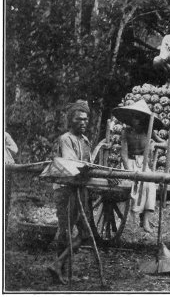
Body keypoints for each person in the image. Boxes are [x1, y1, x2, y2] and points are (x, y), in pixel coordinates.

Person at [47, 100, 93, 285]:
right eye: (79, 119)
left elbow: (90, 164)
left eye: (86, 119)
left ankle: (58, 264)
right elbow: (71, 164)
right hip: (66, 190)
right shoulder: (66, 139)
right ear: (71, 121)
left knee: (85, 233)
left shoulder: (86, 140)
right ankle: (60, 270)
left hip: (79, 189)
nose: (83, 122)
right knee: (65, 230)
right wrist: (86, 168)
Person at [113, 100, 167, 233]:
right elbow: (124, 154)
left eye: (139, 117)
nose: (135, 120)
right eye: (133, 116)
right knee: (134, 184)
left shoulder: (148, 131)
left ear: (143, 118)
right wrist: (128, 171)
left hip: (143, 163)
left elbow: (166, 144)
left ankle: (146, 219)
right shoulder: (126, 132)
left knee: (150, 185)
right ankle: (134, 215)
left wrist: (155, 144)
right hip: (130, 163)